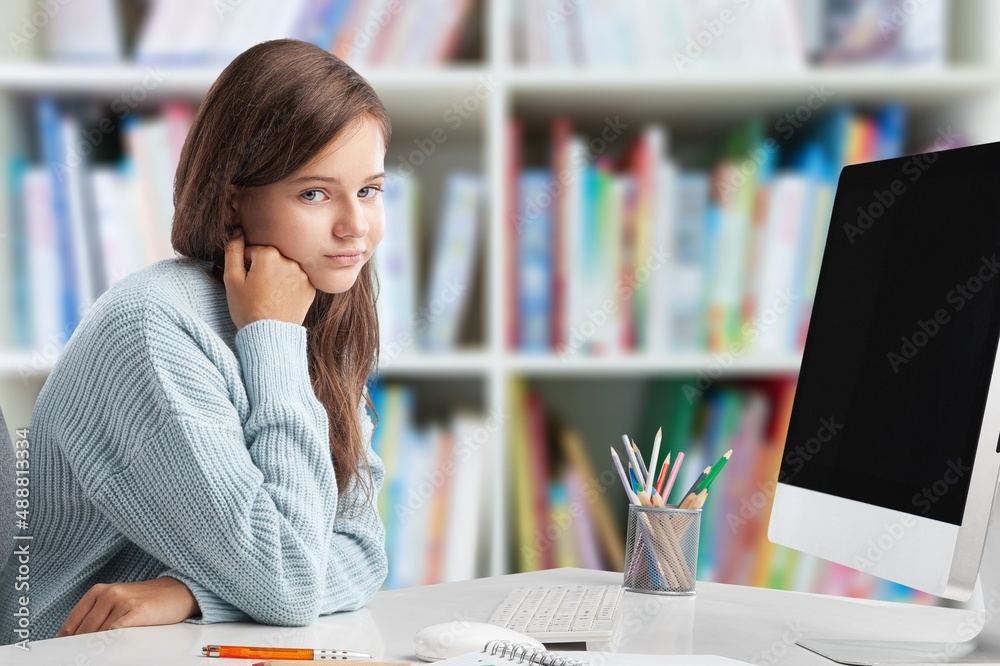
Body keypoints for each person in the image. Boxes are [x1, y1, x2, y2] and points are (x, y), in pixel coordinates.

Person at [0, 38, 390, 645]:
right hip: (66, 650)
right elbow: (287, 581)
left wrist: (188, 593)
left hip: (181, 642)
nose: (355, 226)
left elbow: (362, 552)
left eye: (369, 189)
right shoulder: (153, 331)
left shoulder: (316, 304)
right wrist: (273, 338)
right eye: (314, 193)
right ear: (233, 200)